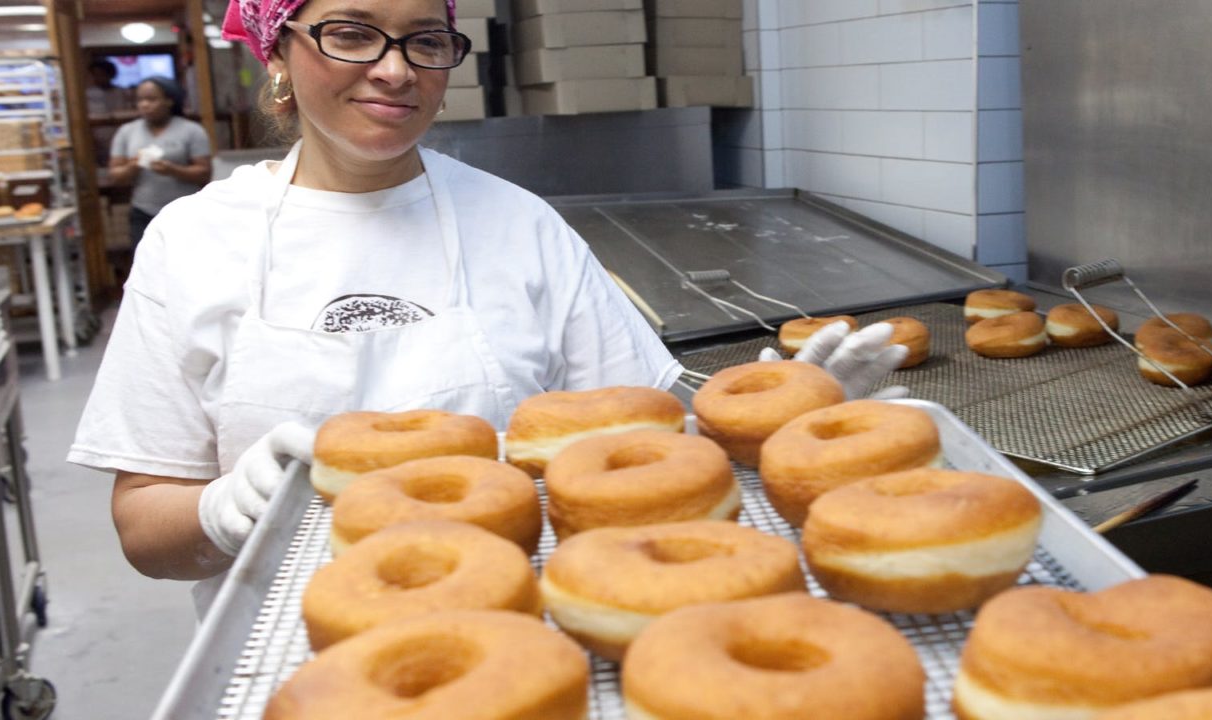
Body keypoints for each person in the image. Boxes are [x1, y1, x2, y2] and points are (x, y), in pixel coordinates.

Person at [69, 0, 907, 613]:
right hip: (296, 660)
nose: (396, 69)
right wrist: (221, 509)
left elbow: (643, 446)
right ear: (277, 52)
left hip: (519, 641)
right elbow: (145, 530)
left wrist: (773, 428)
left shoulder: (519, 223)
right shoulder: (194, 240)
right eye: (352, 32)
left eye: (425, 41)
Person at [107, 77, 212, 249]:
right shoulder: (126, 132)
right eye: (140, 100)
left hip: (185, 212)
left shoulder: (192, 130)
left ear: (169, 100)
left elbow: (204, 173)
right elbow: (115, 176)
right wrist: (133, 166)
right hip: (143, 212)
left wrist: (172, 170)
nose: (144, 105)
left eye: (151, 99)